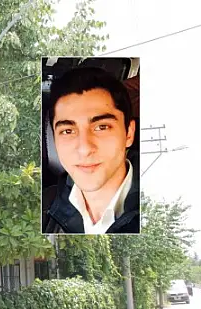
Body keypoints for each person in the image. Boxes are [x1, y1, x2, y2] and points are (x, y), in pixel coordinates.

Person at [42, 66, 140, 234]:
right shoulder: (43, 206)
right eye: (68, 131)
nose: (84, 149)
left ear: (129, 134)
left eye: (102, 127)